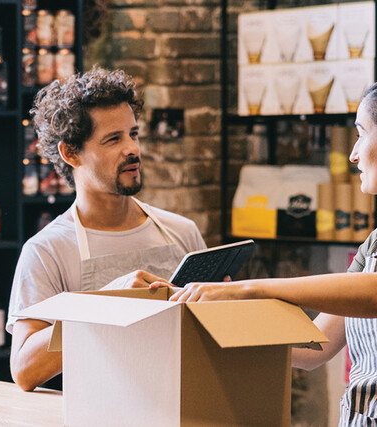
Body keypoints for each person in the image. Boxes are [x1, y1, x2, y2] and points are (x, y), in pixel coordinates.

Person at [161, 82, 377, 426]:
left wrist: (250, 288)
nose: (353, 153)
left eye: (361, 133)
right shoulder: (374, 243)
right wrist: (213, 323)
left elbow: (374, 294)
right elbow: (312, 348)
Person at [7, 67, 207, 392]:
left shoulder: (181, 232)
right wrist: (106, 301)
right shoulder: (47, 251)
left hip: (187, 407)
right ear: (71, 153)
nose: (133, 149)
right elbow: (25, 369)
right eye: (113, 139)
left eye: (134, 134)